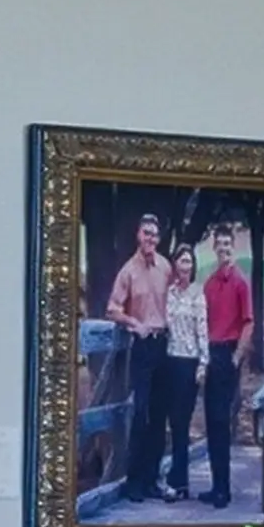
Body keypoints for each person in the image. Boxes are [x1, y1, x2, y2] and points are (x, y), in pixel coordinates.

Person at [97, 211, 176, 506]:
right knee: (140, 414)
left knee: (159, 417)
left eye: (154, 235)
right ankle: (134, 483)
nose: (150, 239)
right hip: (142, 346)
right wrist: (134, 324)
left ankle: (152, 479)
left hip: (164, 346)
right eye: (146, 233)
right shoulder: (128, 271)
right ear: (138, 236)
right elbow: (112, 309)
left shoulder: (165, 267)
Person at [132, 205, 207, 505]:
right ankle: (165, 480)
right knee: (165, 420)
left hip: (189, 364)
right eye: (180, 260)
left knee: (181, 423)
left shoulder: (197, 295)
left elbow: (203, 330)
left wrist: (204, 362)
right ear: (175, 265)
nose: (184, 265)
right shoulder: (171, 292)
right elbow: (155, 314)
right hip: (168, 359)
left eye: (188, 261)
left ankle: (181, 482)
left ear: (193, 264)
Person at [193, 224, 258, 506]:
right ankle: (216, 485)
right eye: (219, 245)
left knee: (222, 420)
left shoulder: (240, 283)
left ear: (234, 248)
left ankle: (224, 490)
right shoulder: (209, 284)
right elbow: (203, 321)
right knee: (211, 421)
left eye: (227, 245)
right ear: (214, 249)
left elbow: (249, 322)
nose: (223, 250)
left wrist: (236, 356)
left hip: (229, 353)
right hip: (211, 353)